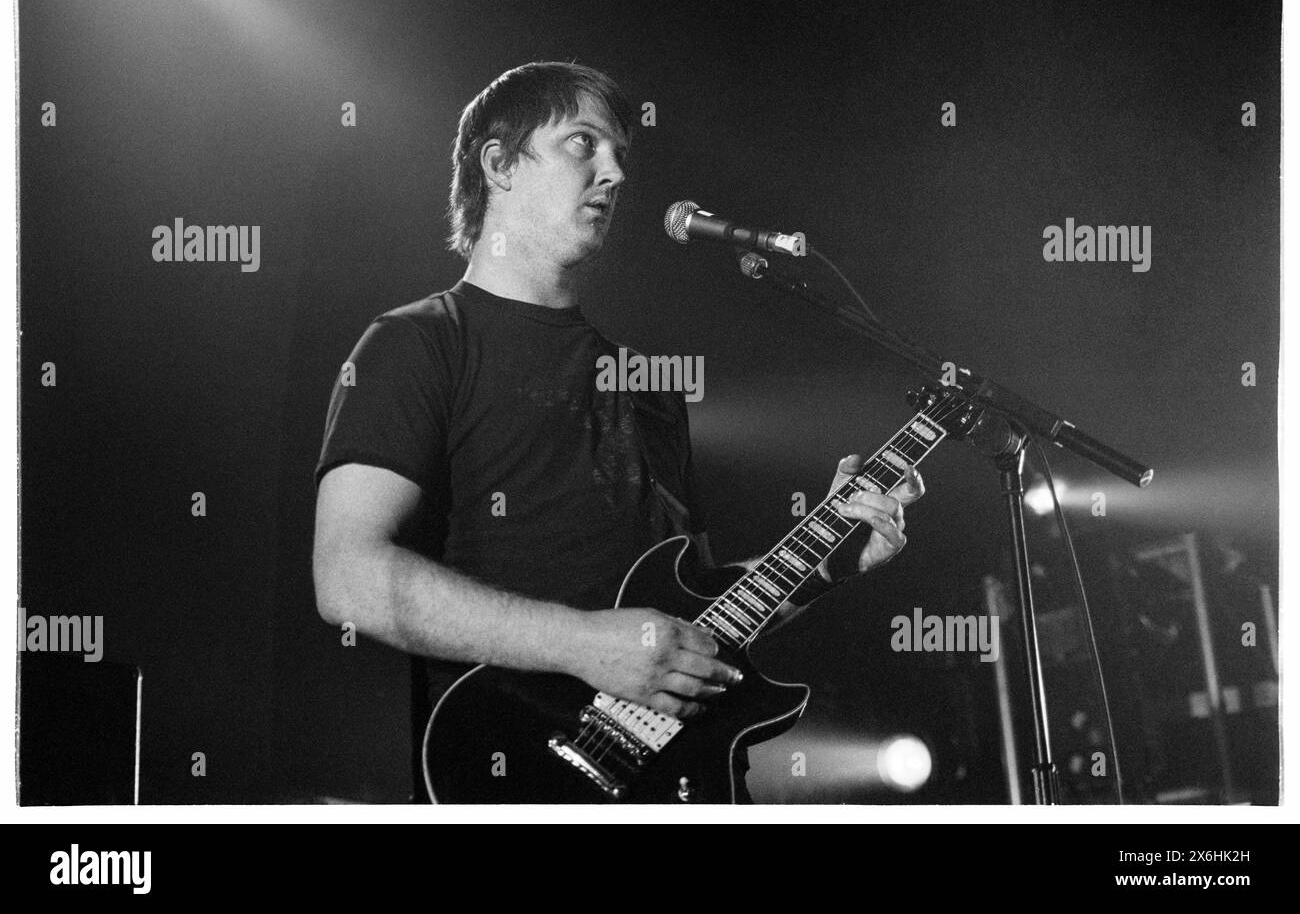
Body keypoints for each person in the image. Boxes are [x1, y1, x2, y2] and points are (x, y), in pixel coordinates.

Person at [312, 61, 924, 802]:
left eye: (621, 157)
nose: (614, 173)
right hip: (517, 767)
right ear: (500, 164)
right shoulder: (417, 343)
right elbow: (346, 577)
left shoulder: (647, 383)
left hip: (685, 781)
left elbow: (698, 622)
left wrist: (829, 556)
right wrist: (587, 646)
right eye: (583, 145)